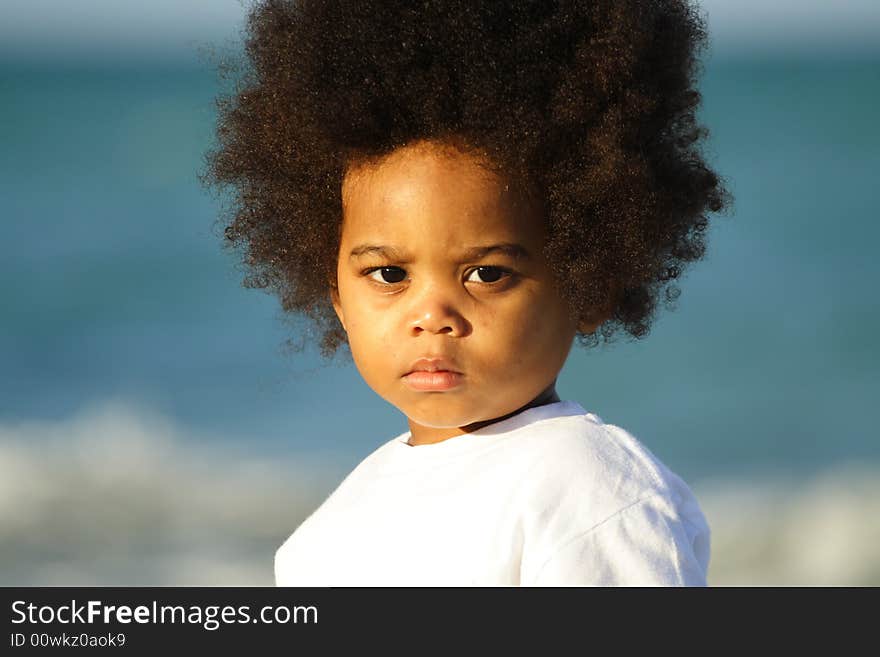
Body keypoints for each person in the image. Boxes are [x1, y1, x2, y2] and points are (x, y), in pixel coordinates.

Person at [201, 0, 730, 586]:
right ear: (337, 299)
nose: (433, 315)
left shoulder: (586, 490)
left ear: (590, 286)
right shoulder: (324, 535)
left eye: (487, 274)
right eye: (389, 275)